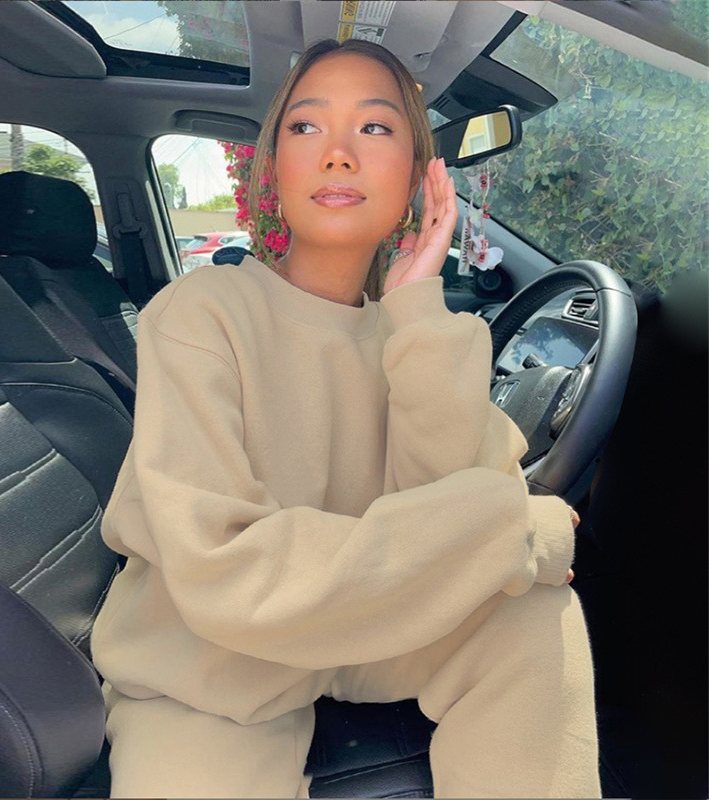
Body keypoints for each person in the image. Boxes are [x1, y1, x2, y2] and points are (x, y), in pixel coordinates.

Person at [90, 37, 599, 799]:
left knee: (530, 611)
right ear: (273, 170)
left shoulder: (410, 330)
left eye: (374, 127)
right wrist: (511, 530)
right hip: (208, 668)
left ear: (420, 176)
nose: (337, 153)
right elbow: (226, 570)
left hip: (356, 627)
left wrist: (417, 306)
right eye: (305, 126)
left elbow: (445, 504)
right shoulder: (201, 313)